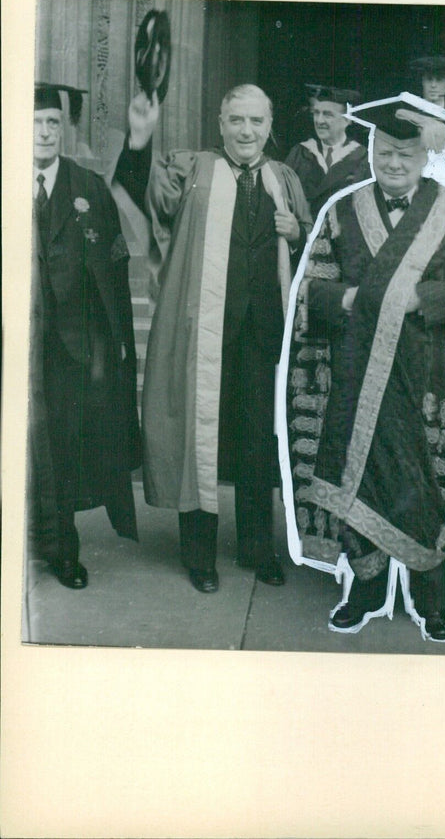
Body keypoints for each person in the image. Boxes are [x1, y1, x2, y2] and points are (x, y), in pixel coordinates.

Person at [283, 95, 445, 642]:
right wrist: (348, 301)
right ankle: (364, 590)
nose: (394, 164)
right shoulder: (341, 212)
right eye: (385, 153)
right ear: (370, 152)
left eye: (406, 155)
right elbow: (310, 291)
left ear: (423, 158)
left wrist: (419, 297)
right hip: (355, 373)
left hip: (428, 375)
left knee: (424, 482)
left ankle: (430, 598)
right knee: (361, 476)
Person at [114, 84, 312, 592]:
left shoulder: (283, 178)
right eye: (236, 121)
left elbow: (316, 246)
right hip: (201, 328)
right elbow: (144, 200)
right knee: (196, 439)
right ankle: (199, 554)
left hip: (261, 332)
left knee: (254, 444)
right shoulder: (192, 168)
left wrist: (296, 234)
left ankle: (256, 549)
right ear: (220, 123)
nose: (247, 131)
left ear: (270, 126)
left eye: (256, 121)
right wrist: (138, 143)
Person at [29, 83, 140, 588]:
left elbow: (115, 268)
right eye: (35, 122)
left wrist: (114, 342)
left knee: (62, 450)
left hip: (71, 346)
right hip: (19, 343)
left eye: (53, 122)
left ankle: (61, 550)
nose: (45, 132)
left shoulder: (88, 186)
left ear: (64, 128)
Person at [284, 85, 369, 219]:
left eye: (328, 114)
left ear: (348, 119)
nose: (319, 120)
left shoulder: (362, 158)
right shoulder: (299, 153)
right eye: (316, 113)